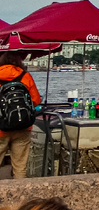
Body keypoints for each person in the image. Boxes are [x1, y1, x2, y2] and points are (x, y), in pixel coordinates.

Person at [0, 52, 42, 180]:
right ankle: (20, 196)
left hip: (1, 128)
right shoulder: (25, 76)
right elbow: (36, 101)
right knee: (20, 166)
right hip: (22, 127)